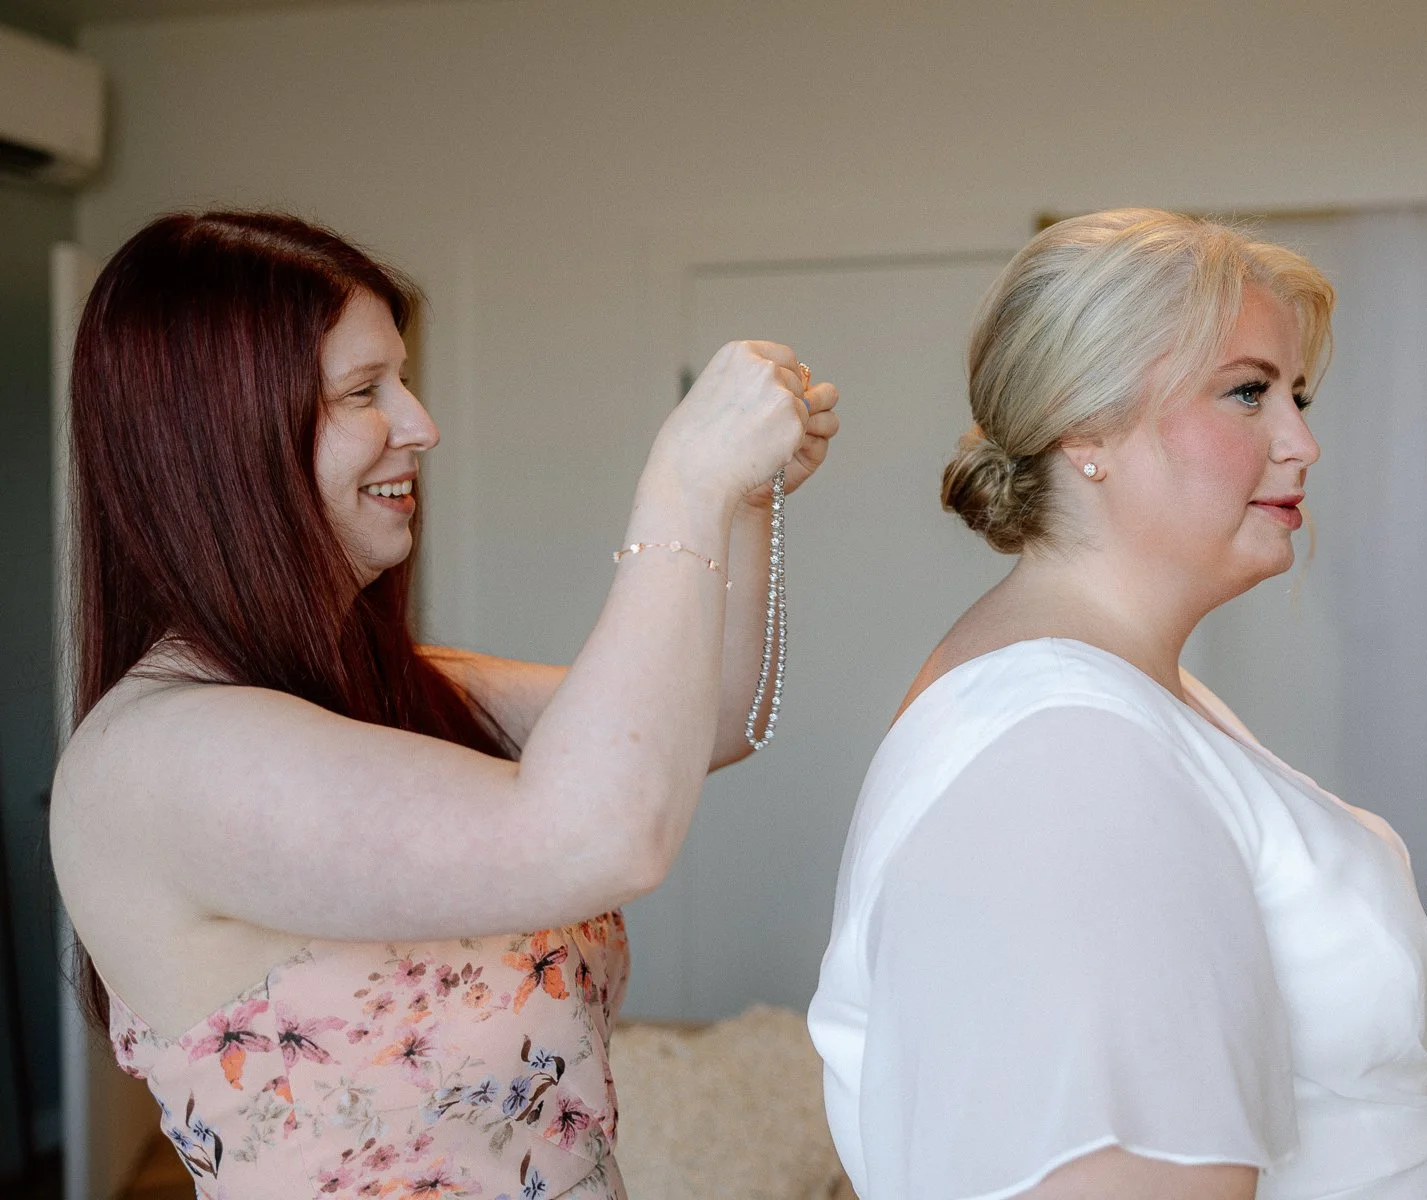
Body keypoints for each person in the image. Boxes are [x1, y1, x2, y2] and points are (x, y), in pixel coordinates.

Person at [49, 210, 839, 1199]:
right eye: (364, 391)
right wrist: (681, 483)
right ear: (222, 438)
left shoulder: (391, 689)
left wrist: (742, 501)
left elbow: (715, 717)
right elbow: (601, 838)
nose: (421, 425)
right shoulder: (167, 753)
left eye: (404, 381)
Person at [809, 208, 1427, 1200]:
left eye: (1297, 395)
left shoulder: (1127, 695)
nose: (1303, 442)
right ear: (1086, 426)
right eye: (1247, 392)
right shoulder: (1065, 748)